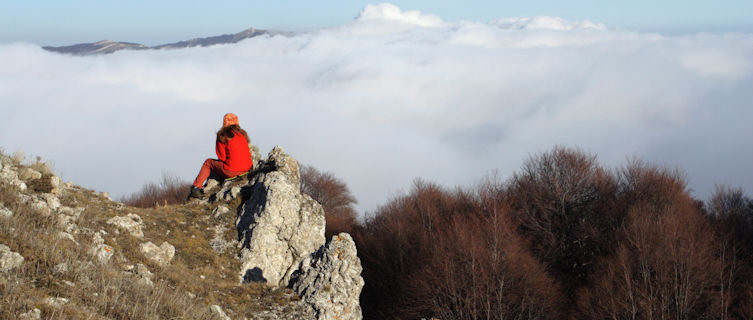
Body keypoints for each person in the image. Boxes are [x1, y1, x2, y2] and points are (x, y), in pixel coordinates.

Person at [187, 113, 253, 199]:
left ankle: (196, 188)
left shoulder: (222, 135)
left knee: (208, 162)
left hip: (232, 171)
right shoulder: (243, 134)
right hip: (248, 170)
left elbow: (222, 157)